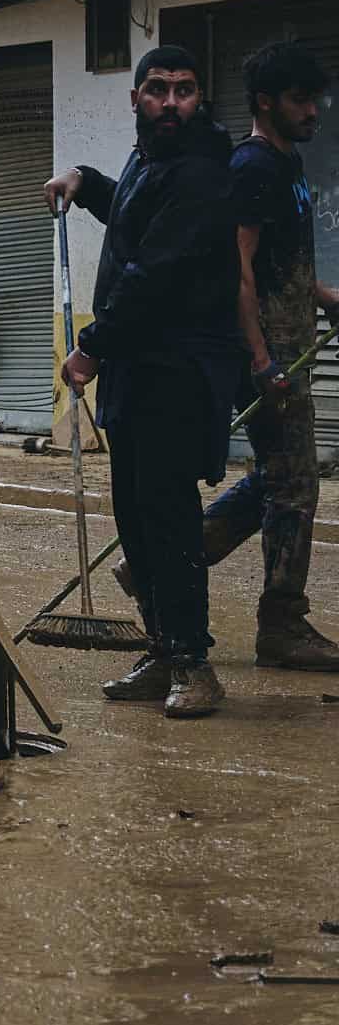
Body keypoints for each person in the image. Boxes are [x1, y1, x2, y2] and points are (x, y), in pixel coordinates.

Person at [111, 43, 339, 672]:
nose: (313, 110)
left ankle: (181, 551)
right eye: (300, 99)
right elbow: (235, 268)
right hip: (259, 353)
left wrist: (321, 295)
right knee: (292, 481)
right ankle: (281, 624)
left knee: (281, 474)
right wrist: (261, 360)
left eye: (314, 97)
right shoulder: (251, 168)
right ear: (267, 102)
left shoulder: (283, 164)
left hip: (284, 344)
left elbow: (272, 261)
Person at [44, 45, 243, 718]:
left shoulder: (203, 172)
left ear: (199, 100)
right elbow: (133, 220)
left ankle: (194, 663)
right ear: (136, 99)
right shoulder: (147, 161)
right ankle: (162, 652)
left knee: (169, 520)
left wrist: (90, 348)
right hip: (137, 371)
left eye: (184, 91)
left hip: (177, 372)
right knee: (134, 515)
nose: (170, 102)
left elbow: (154, 272)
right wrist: (87, 181)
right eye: (158, 90)